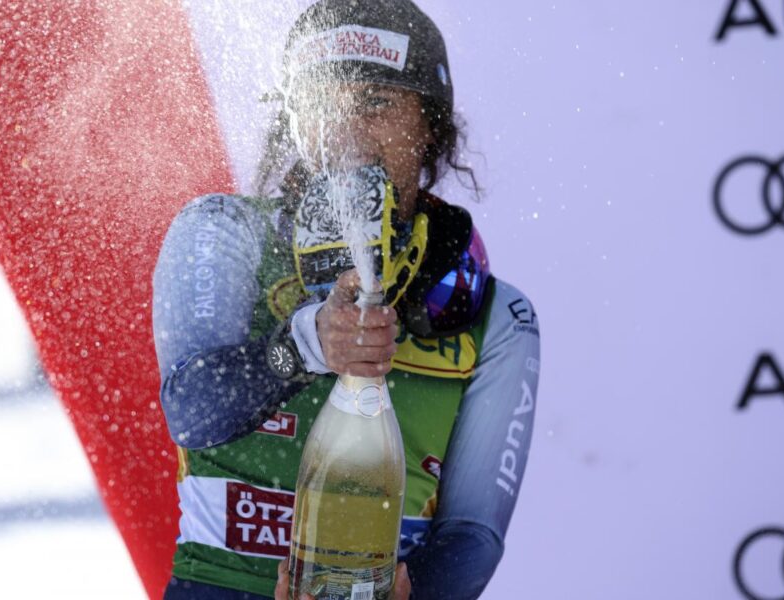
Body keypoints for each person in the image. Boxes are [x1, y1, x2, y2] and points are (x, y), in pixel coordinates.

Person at [152, 1, 540, 598]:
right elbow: (191, 410)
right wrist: (304, 345)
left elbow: (473, 536)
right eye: (320, 103)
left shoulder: (499, 317)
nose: (345, 131)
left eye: (376, 102)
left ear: (431, 123)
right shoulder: (225, 229)